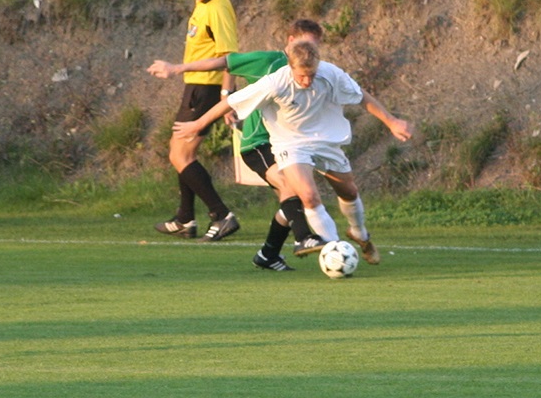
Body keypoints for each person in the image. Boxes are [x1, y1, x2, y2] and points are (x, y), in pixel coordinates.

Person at [168, 40, 413, 268]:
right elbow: (232, 102)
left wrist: (391, 122)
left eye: (311, 75)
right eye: (302, 75)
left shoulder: (330, 74)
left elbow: (361, 97)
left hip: (326, 139)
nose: (307, 81)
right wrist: (198, 124)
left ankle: (358, 232)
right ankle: (335, 249)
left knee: (349, 191)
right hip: (290, 143)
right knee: (308, 195)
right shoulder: (275, 81)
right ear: (291, 67)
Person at [149, 20, 330, 270]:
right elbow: (226, 62)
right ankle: (303, 238)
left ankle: (268, 255)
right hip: (259, 143)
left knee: (292, 200)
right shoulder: (269, 63)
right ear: (290, 42)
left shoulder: (315, 72)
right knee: (290, 188)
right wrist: (178, 68)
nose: (309, 51)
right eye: (305, 44)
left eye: (314, 46)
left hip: (288, 143)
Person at [154, 0, 241, 242]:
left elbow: (230, 56)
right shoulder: (203, 3)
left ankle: (221, 214)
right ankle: (185, 218)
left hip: (207, 89)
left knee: (180, 154)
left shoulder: (217, 5)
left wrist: (227, 94)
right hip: (197, 87)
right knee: (180, 152)